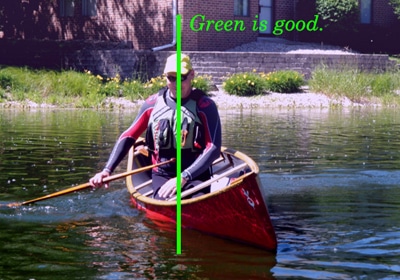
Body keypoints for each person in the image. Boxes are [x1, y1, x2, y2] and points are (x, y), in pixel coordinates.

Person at [89, 53, 222, 200]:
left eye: (181, 78)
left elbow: (213, 148)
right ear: (165, 78)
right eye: (171, 78)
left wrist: (184, 177)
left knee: (196, 203)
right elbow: (128, 136)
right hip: (163, 173)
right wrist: (107, 170)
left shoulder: (205, 106)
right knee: (165, 202)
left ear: (191, 75)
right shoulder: (152, 104)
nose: (176, 84)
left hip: (196, 173)